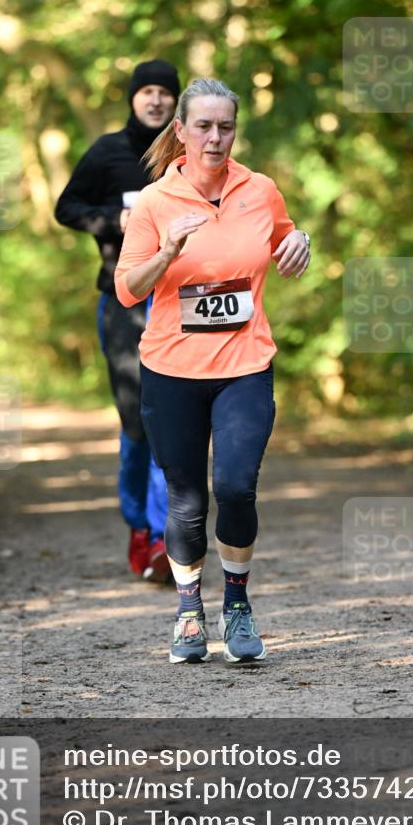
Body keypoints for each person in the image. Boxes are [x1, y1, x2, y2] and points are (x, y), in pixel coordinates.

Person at [114, 78, 310, 663]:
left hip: (246, 365)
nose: (215, 138)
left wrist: (300, 242)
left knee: (235, 488)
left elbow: (284, 239)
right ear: (180, 131)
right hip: (171, 369)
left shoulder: (261, 189)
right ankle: (188, 612)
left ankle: (240, 606)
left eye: (225, 126)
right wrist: (167, 252)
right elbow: (128, 290)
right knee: (187, 500)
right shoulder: (154, 203)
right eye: (203, 126)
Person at [55, 60, 181, 582]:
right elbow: (66, 207)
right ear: (133, 98)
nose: (155, 101)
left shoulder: (190, 150)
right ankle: (141, 527)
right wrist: (114, 219)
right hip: (124, 300)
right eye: (146, 92)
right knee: (136, 418)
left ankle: (166, 535)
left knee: (173, 415)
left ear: (176, 102)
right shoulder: (108, 152)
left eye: (165, 93)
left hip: (181, 299)